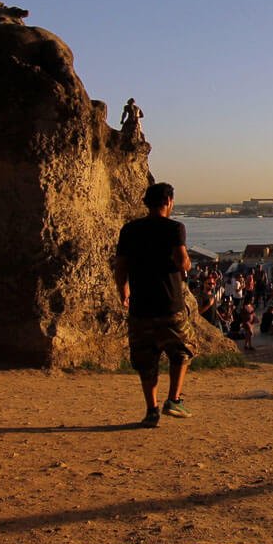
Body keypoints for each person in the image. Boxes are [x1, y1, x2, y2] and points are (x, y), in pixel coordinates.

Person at [113, 182, 196, 428]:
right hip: (170, 302)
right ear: (169, 201)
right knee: (183, 349)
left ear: (146, 202)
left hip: (141, 305)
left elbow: (120, 267)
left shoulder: (129, 230)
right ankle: (174, 399)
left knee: (146, 358)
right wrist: (188, 264)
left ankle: (151, 410)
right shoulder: (174, 228)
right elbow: (182, 262)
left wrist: (123, 291)